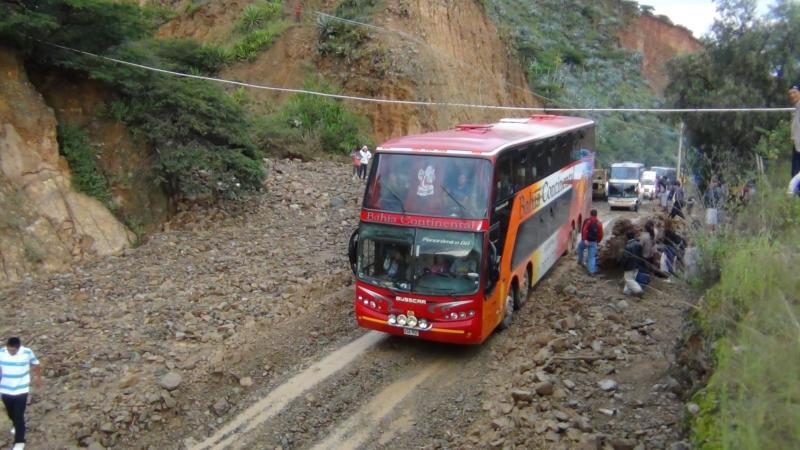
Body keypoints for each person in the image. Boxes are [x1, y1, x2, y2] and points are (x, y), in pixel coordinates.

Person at [1, 337, 42, 450]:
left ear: (18, 348)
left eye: (13, 350)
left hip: (21, 390)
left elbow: (36, 364)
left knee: (18, 415)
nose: (11, 352)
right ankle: (16, 425)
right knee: (11, 414)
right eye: (9, 350)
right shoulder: (1, 353)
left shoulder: (27, 352)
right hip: (5, 390)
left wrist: (38, 378)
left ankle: (19, 442)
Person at [577, 209, 603, 275]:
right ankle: (591, 271)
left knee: (580, 248)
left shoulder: (588, 221)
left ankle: (580, 261)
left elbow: (584, 230)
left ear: (590, 214)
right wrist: (597, 241)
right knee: (592, 257)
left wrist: (584, 239)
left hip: (586, 241)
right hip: (594, 242)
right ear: (596, 215)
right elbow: (600, 234)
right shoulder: (599, 223)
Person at [622, 231, 644, 296]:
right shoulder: (638, 244)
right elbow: (641, 256)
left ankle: (638, 290)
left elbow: (625, 258)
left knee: (628, 279)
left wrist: (623, 266)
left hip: (629, 266)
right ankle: (626, 291)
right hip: (637, 265)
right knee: (632, 279)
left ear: (627, 237)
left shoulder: (627, 246)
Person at [789, 81, 800, 177]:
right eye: (790, 93)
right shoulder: (796, 108)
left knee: (796, 177)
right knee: (795, 175)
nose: (792, 95)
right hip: (797, 147)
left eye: (794, 92)